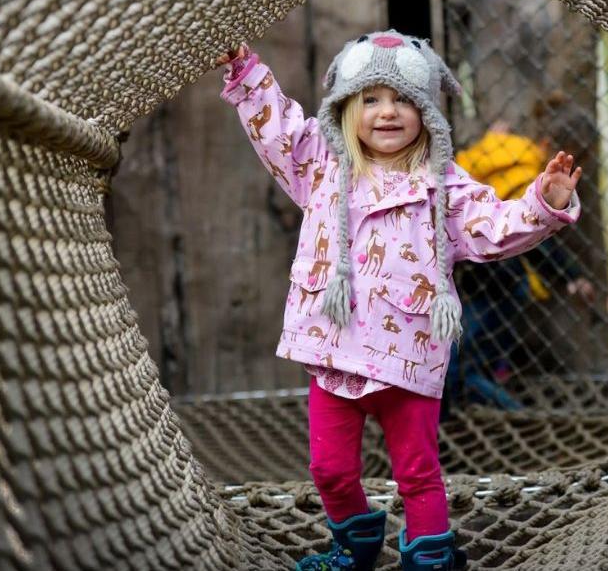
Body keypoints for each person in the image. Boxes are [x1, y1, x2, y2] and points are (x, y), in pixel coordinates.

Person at [216, 30, 582, 571]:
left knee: (416, 472)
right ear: (346, 107)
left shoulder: (443, 186)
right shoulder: (321, 167)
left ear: (427, 112)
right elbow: (282, 132)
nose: (387, 112)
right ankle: (354, 549)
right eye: (371, 99)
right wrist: (249, 76)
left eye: (405, 99)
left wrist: (543, 205)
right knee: (330, 470)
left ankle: (430, 557)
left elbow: (495, 225)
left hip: (409, 358)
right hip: (333, 354)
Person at [447, 124, 595, 411]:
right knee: (465, 366)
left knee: (466, 358)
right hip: (503, 282)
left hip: (469, 278)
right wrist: (571, 276)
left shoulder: (481, 157)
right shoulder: (530, 176)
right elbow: (531, 236)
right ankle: (515, 413)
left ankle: (476, 406)